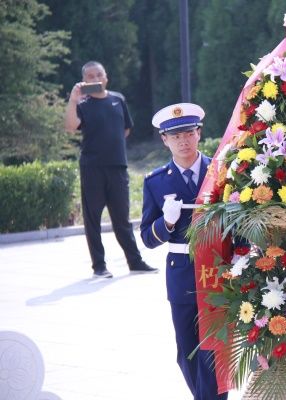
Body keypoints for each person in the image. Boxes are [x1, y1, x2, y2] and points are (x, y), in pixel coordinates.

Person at [140, 103, 226, 400]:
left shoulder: (221, 172)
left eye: (188, 132)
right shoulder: (155, 181)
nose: (183, 140)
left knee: (213, 348)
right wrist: (166, 222)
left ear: (199, 133)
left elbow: (239, 219)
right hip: (182, 270)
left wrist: (241, 253)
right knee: (186, 351)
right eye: (174, 136)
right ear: (164, 140)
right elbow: (147, 239)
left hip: (217, 267)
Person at [64, 61, 156, 278]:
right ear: (84, 80)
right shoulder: (82, 103)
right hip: (92, 168)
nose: (95, 79)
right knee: (93, 218)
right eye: (90, 76)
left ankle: (135, 261)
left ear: (106, 77)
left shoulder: (118, 99)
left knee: (122, 218)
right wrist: (72, 99)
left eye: (99, 74)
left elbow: (125, 129)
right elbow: (70, 127)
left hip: (118, 167)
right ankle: (99, 266)